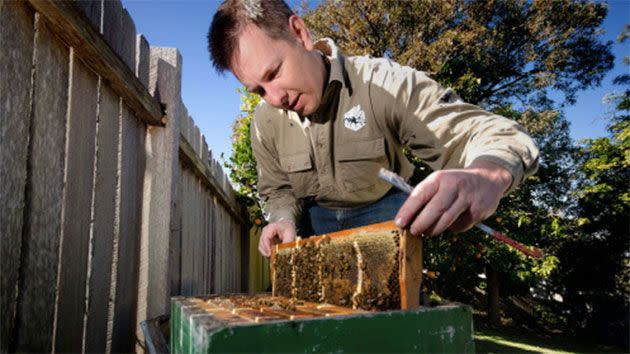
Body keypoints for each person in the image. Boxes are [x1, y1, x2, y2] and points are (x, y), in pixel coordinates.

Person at [208, 0, 539, 257]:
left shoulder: (384, 83)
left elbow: (494, 134)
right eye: (259, 91)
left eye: (274, 73)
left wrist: (485, 176)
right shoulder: (264, 123)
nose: (275, 98)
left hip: (386, 217)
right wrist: (282, 218)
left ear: (299, 33)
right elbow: (277, 189)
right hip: (316, 225)